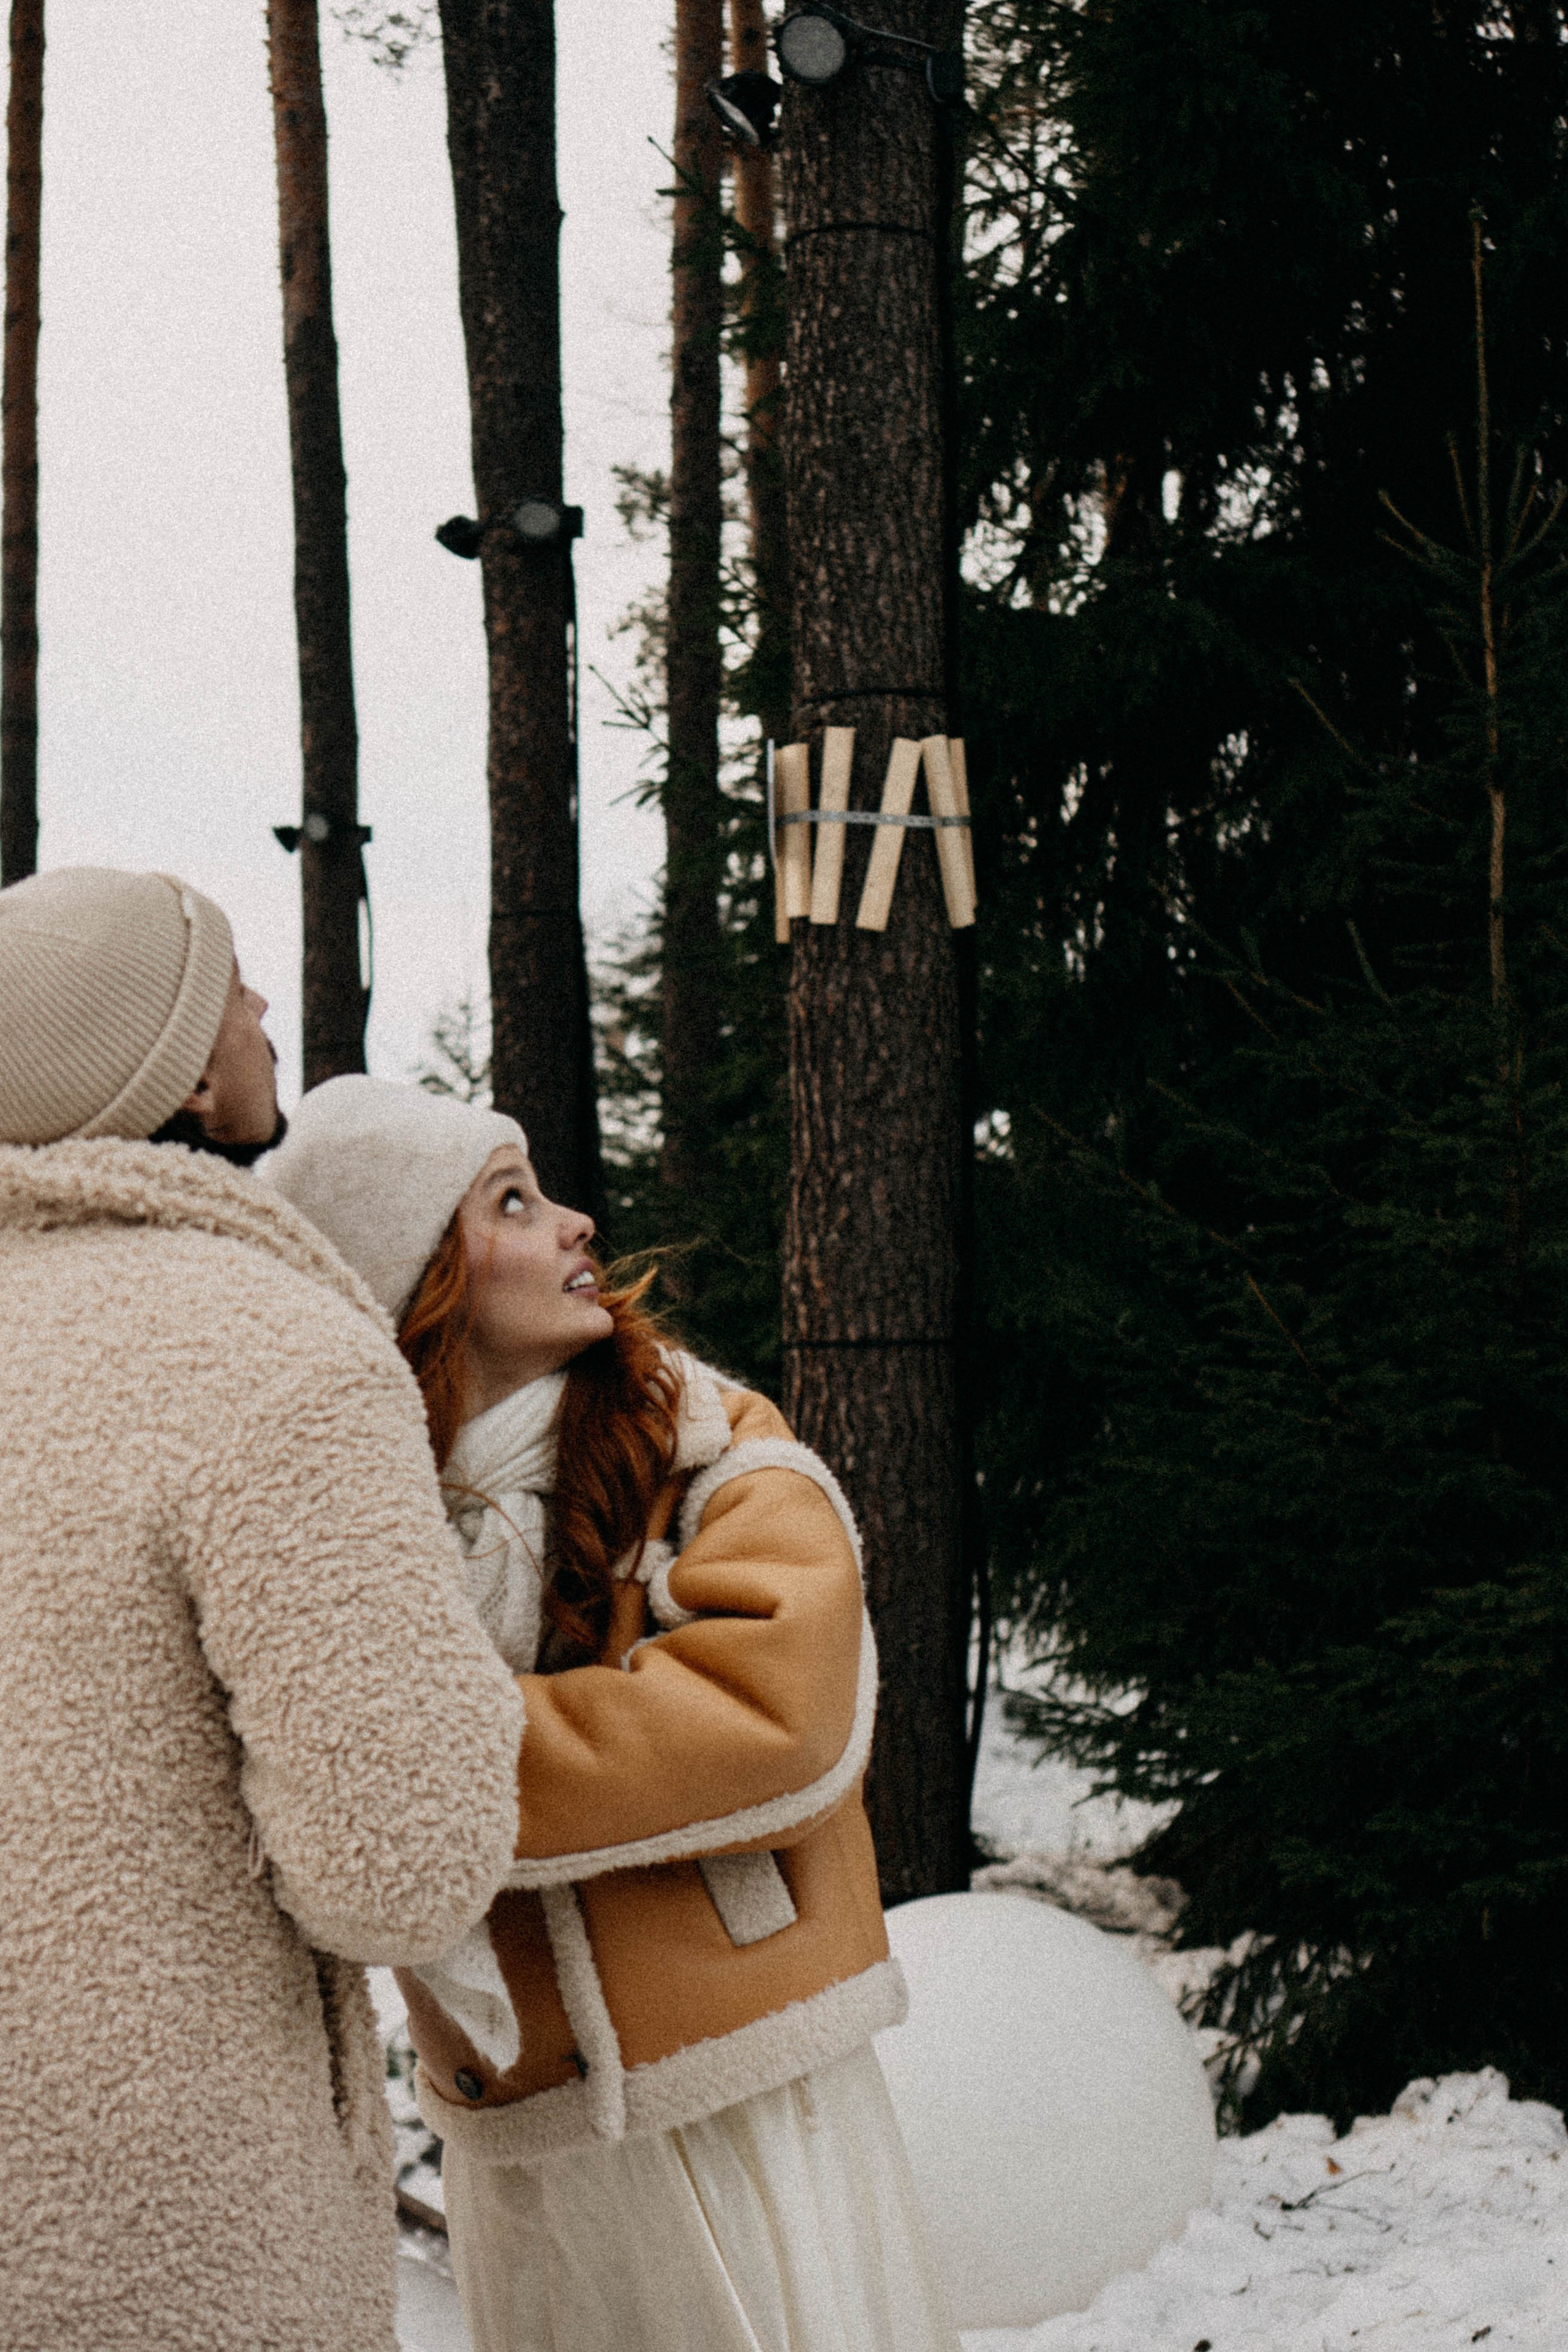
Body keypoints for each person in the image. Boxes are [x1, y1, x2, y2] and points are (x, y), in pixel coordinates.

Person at [266, 1073, 960, 2352]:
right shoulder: (356, 1526)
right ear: (418, 1276)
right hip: (522, 2121)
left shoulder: (702, 1443)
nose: (578, 1222)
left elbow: (774, 1713)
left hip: (744, 2091)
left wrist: (429, 1774)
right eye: (514, 1205)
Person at [0, 867, 528, 2351]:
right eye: (224, 983)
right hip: (160, 2215)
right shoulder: (272, 1356)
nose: (258, 1008)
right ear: (155, 1058)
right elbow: (401, 1860)